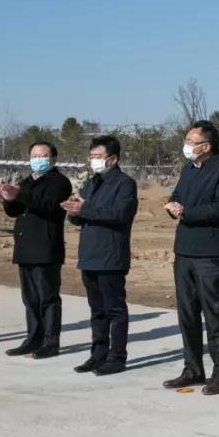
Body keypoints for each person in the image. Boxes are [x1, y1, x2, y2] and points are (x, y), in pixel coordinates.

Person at [162, 121, 219, 395]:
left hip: (209, 252)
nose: (186, 146)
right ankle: (192, 369)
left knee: (214, 313)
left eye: (190, 141)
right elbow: (178, 196)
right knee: (187, 314)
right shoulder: (188, 169)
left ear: (206, 146)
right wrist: (173, 206)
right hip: (183, 250)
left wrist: (187, 213)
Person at [62, 136, 138, 375]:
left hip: (111, 256)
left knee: (115, 310)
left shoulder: (125, 184)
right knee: (97, 310)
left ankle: (117, 357)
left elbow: (118, 214)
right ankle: (98, 354)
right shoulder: (92, 183)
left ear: (113, 159)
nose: (94, 161)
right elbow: (80, 216)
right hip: (90, 255)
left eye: (98, 157)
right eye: (92, 156)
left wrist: (84, 209)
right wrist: (73, 210)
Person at [0, 141, 73, 358]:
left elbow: (49, 207)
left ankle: (51, 342)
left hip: (45, 247)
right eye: (34, 155)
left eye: (43, 155)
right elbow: (15, 210)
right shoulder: (27, 181)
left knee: (47, 297)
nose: (38, 159)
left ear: (53, 158)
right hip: (25, 247)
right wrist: (8, 198)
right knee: (30, 298)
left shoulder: (59, 182)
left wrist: (20, 194)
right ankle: (33, 338)